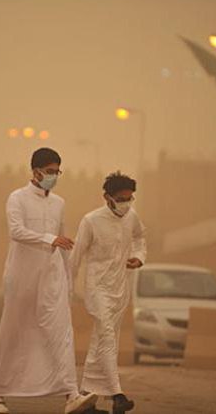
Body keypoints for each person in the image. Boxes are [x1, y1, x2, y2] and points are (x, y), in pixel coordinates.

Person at [0, 148, 98, 414]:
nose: (54, 176)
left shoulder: (59, 203)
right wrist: (49, 240)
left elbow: (62, 242)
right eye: (50, 171)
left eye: (57, 171)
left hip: (51, 278)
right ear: (35, 171)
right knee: (14, 331)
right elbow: (16, 231)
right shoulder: (17, 198)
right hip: (21, 278)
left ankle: (71, 394)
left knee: (61, 331)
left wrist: (68, 280)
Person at [69, 171, 147, 414]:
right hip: (96, 288)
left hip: (119, 289)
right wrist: (67, 289)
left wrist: (138, 257)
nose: (126, 203)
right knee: (107, 337)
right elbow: (76, 256)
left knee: (103, 340)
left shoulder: (131, 217)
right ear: (107, 197)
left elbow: (140, 237)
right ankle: (117, 394)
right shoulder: (91, 221)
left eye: (130, 198)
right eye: (122, 198)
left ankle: (85, 397)